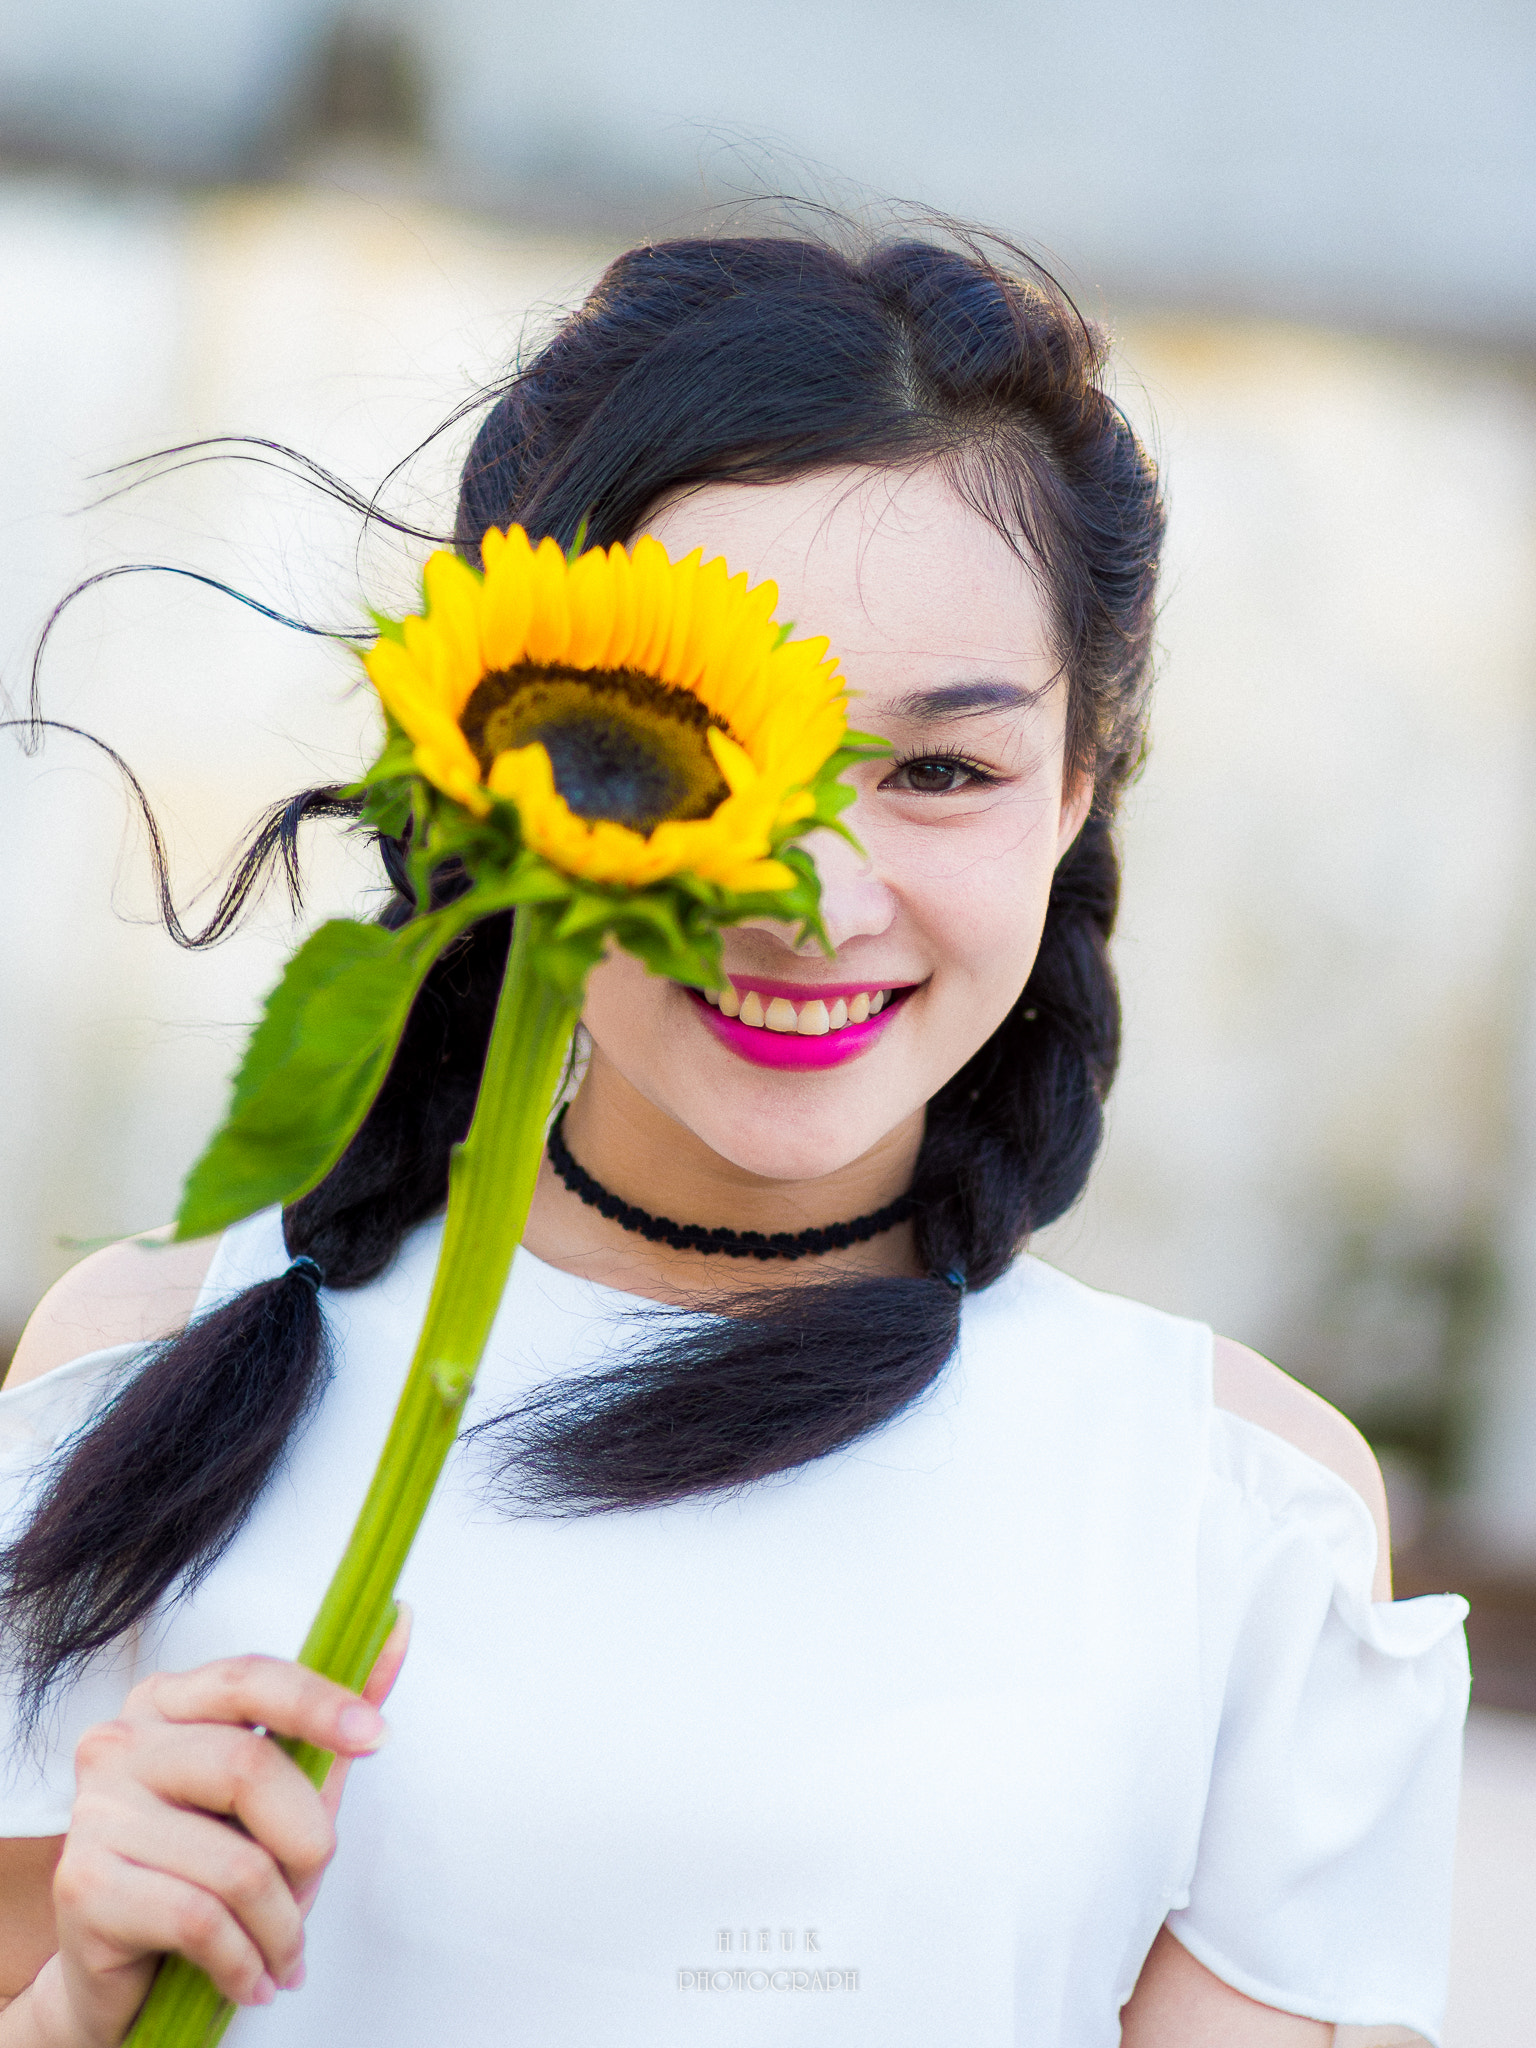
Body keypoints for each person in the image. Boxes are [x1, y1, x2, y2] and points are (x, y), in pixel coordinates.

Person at [0, 230, 1467, 2048]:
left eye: (940, 770)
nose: (814, 897)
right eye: (701, 756)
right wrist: (77, 2011)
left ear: (1079, 789)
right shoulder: (146, 1381)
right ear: (486, 752)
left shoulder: (1236, 1512)